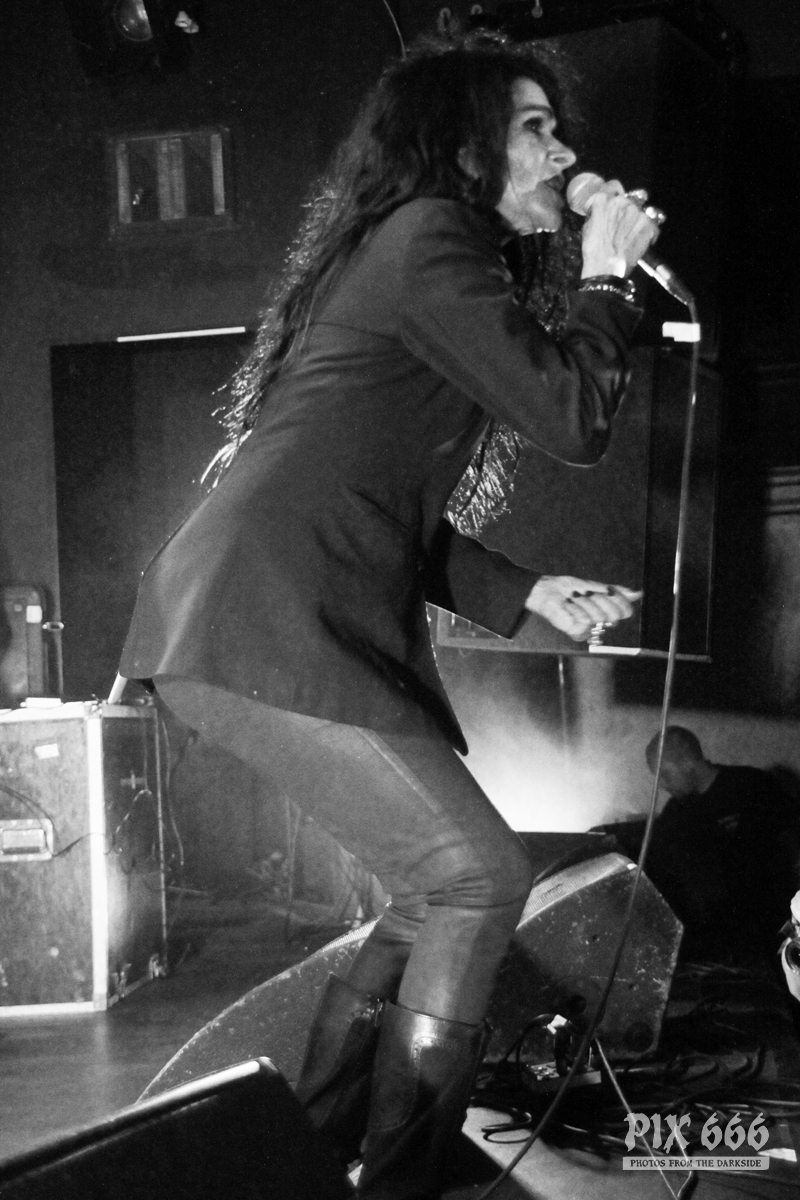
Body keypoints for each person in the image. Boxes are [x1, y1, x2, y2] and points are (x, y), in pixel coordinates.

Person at [119, 31, 658, 1199]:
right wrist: (611, 282)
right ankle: (399, 1184)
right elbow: (571, 417)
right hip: (261, 614)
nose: (561, 155)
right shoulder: (425, 238)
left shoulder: (422, 255)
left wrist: (521, 591)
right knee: (476, 876)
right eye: (533, 129)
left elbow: (377, 497)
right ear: (461, 145)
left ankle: (311, 1154)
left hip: (276, 610)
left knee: (432, 895)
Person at [644, 726, 800, 949]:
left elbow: (791, 841)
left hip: (770, 923)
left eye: (665, 774)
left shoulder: (752, 785)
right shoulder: (674, 813)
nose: (661, 785)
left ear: (687, 762)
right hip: (715, 935)